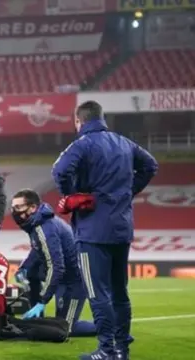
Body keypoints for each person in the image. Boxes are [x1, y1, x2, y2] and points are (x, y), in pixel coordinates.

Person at [52, 101, 158, 360]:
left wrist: (72, 194)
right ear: (102, 118)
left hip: (92, 231)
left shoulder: (82, 144)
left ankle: (105, 350)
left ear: (79, 121)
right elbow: (150, 166)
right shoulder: (124, 142)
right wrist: (129, 191)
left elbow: (60, 171)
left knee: (97, 293)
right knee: (120, 293)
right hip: (122, 227)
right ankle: (122, 350)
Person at [10, 189, 96, 337]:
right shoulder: (39, 222)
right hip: (64, 279)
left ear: (32, 208)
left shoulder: (44, 228)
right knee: (29, 274)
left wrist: (43, 300)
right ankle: (38, 316)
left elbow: (56, 266)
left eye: (18, 207)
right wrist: (24, 268)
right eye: (13, 207)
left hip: (74, 281)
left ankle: (109, 326)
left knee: (65, 328)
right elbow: (38, 250)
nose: (14, 212)